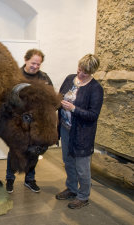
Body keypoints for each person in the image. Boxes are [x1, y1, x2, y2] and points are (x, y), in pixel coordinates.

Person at [55, 54, 103, 209]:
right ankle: (72, 188)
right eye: (80, 69)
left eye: (85, 73)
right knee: (68, 161)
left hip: (82, 133)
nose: (80, 74)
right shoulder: (70, 79)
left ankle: (83, 196)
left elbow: (93, 116)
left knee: (82, 167)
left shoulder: (95, 89)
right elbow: (60, 96)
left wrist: (74, 109)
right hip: (66, 128)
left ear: (92, 72)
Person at [6, 49, 53, 193]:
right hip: (19, 123)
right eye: (33, 63)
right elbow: (7, 100)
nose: (36, 67)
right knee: (15, 151)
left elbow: (51, 97)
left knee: (34, 151)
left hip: (37, 124)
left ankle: (30, 179)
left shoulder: (44, 78)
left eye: (38, 64)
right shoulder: (15, 77)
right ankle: (10, 179)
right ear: (26, 60)